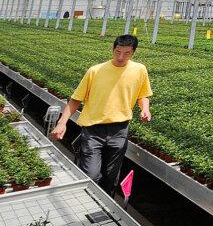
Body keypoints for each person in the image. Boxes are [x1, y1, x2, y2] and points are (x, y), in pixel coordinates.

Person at [49, 34, 152, 194]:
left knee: (111, 177)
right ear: (112, 49)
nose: (120, 57)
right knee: (91, 174)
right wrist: (62, 123)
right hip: (93, 130)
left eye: (126, 53)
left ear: (133, 52)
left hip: (119, 130)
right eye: (117, 52)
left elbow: (142, 94)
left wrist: (145, 108)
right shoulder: (95, 71)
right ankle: (86, 202)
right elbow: (76, 99)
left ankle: (106, 210)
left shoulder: (139, 70)